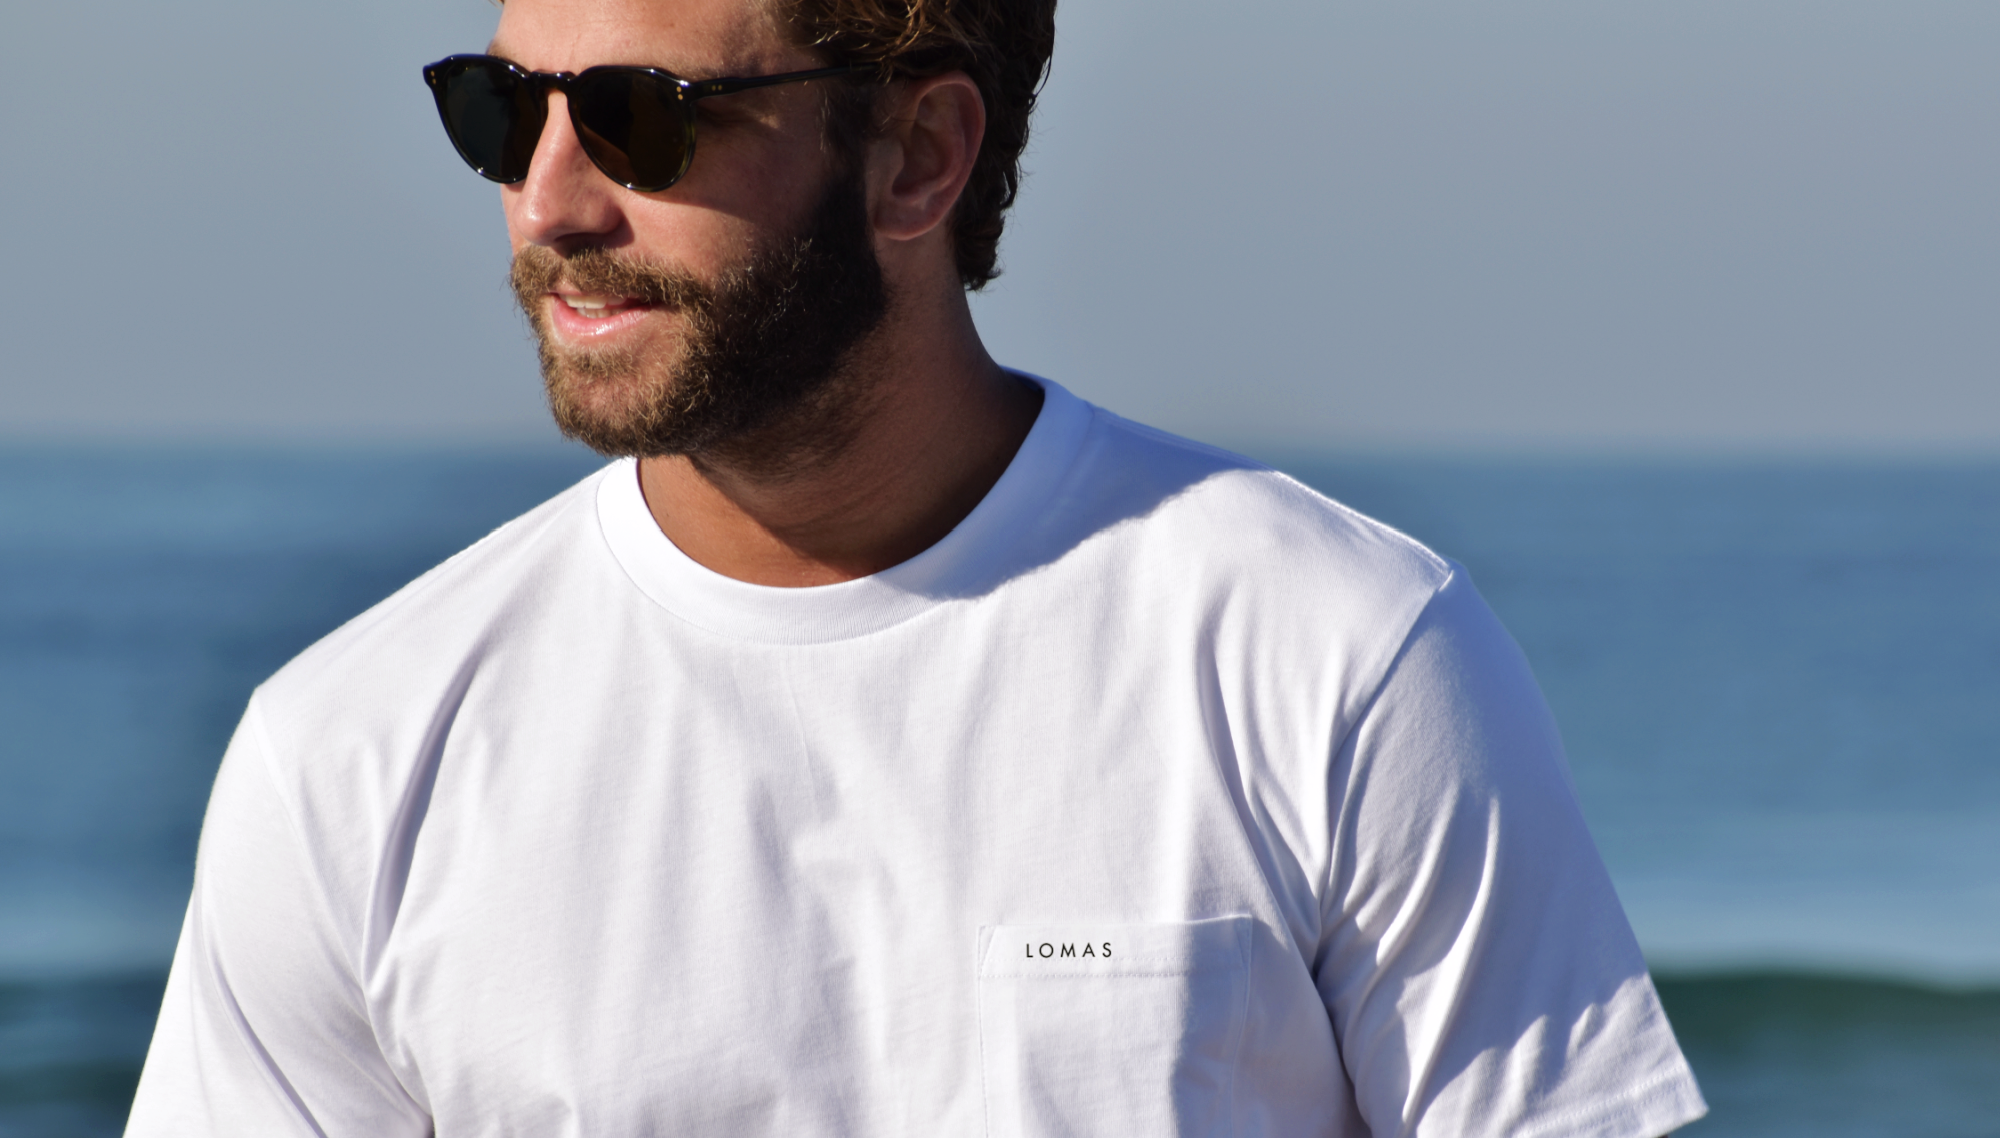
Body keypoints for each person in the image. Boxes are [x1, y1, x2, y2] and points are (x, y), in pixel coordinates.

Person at [127, 0, 1708, 1132]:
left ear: (916, 157)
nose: (546, 200)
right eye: (499, 107)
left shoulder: (1333, 651)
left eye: (637, 119)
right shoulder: (352, 752)